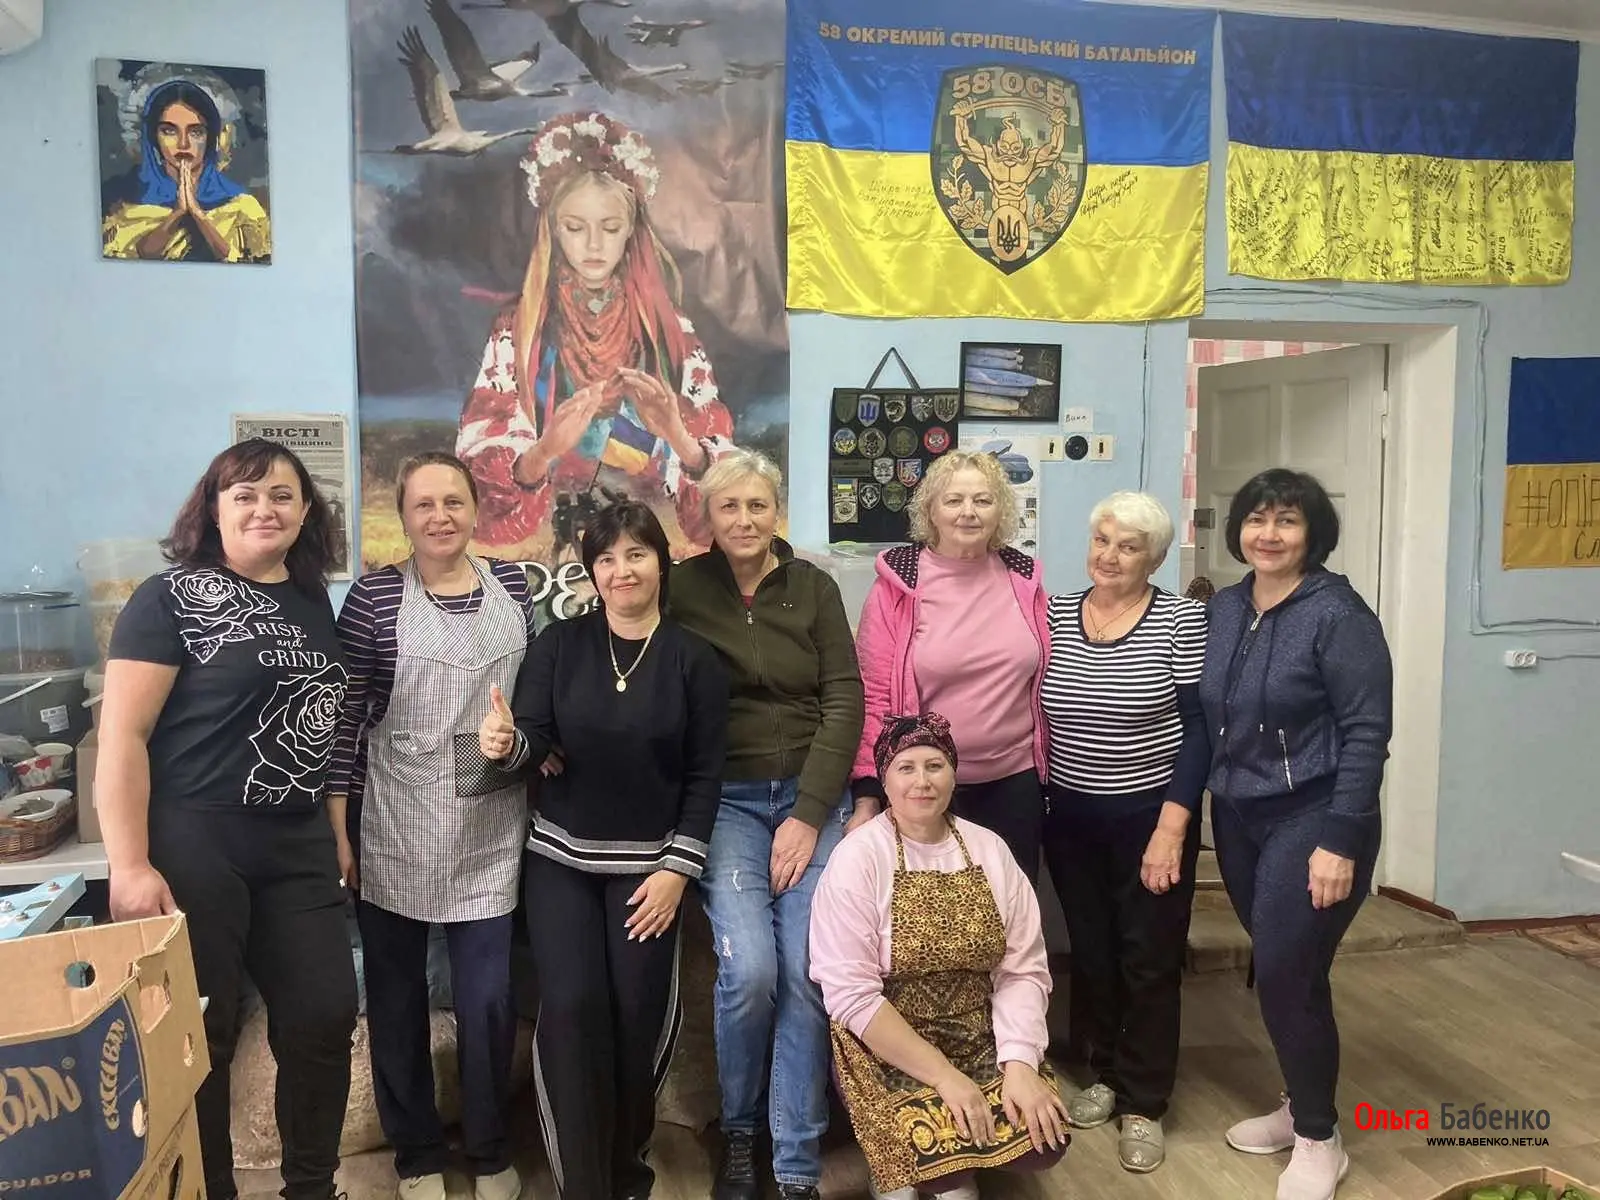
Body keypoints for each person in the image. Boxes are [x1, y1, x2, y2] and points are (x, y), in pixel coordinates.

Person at [98, 439, 355, 1200]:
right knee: (199, 1033)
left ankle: (312, 1187)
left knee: (323, 1015)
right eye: (244, 495)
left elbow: (320, 726)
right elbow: (122, 737)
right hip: (197, 839)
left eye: (281, 495)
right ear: (213, 510)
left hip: (297, 839)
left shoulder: (311, 600)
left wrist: (335, 831)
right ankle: (210, 1188)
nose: (263, 508)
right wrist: (129, 864)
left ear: (304, 512)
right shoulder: (167, 598)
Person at [478, 500, 728, 1200]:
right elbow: (533, 738)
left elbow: (706, 775)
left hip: (650, 872)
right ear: (592, 571)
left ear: (661, 564)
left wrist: (678, 870)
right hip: (561, 860)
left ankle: (627, 1167)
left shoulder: (694, 660)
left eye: (636, 554)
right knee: (571, 1006)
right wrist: (507, 745)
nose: (623, 571)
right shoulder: (560, 645)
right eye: (608, 558)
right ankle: (582, 1182)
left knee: (636, 1012)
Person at [328, 453, 535, 1200]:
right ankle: (415, 1153)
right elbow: (343, 722)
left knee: (488, 1000)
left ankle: (488, 1147)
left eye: (453, 501)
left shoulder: (515, 586)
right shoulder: (375, 597)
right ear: (404, 518)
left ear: (477, 508)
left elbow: (535, 704)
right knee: (397, 999)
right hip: (396, 820)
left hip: (489, 821)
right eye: (424, 505)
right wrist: (340, 831)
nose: (440, 517)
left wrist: (520, 742)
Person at [669, 449, 865, 1200]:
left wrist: (810, 815)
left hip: (813, 800)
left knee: (807, 972)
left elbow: (844, 699)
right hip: (727, 803)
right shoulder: (683, 588)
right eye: (729, 507)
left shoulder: (813, 587)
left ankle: (795, 1164)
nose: (744, 520)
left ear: (775, 511)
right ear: (707, 517)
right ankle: (740, 1132)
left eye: (757, 505)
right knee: (750, 971)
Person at [1199, 469, 1392, 1200]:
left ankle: (1318, 1137)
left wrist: (1341, 839)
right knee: (1289, 970)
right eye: (1257, 519)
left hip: (1315, 817)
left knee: (1286, 969)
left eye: (1286, 520)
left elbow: (1367, 732)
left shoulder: (1338, 613)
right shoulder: (1225, 607)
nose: (1269, 534)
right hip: (1238, 816)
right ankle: (1299, 1102)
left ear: (1313, 533)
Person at [456, 111, 738, 565]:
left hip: (646, 551)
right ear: (552, 229)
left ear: (630, 231)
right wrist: (545, 451)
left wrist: (678, 436)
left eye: (609, 228)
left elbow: (720, 506)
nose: (593, 245)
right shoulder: (519, 332)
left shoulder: (669, 334)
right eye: (575, 227)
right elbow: (483, 498)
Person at [811, 712, 1068, 1200]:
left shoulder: (989, 850)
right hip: (887, 1042)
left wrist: (1019, 1063)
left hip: (976, 1032)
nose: (922, 781)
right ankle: (908, 1172)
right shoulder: (859, 858)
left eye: (935, 765)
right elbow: (851, 995)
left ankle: (943, 1169)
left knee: (1043, 1138)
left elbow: (1023, 971)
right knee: (935, 1155)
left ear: (953, 773)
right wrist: (944, 1077)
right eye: (905, 768)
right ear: (884, 779)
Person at [1038, 492, 1209, 1173]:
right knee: (1094, 952)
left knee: (1150, 957)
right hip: (1071, 816)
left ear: (1155, 559)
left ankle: (1145, 1101)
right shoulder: (1055, 612)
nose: (1109, 556)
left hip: (1150, 817)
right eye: (1102, 540)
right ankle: (1105, 1072)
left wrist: (1173, 826)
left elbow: (1199, 732)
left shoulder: (1179, 620)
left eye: (1128, 546)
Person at [851, 449, 1049, 880]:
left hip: (1015, 782)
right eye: (954, 500)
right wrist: (867, 792)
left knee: (1011, 907)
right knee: (935, 913)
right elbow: (874, 697)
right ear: (930, 511)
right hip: (925, 787)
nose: (968, 512)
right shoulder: (896, 587)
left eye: (983, 500)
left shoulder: (1024, 580)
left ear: (1000, 511)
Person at [102, 78, 272, 262]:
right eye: (169, 131)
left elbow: (250, 264)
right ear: (153, 138)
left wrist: (199, 215)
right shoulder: (126, 208)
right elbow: (131, 258)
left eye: (195, 132)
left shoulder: (242, 207)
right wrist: (177, 214)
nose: (183, 144)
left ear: (210, 138)